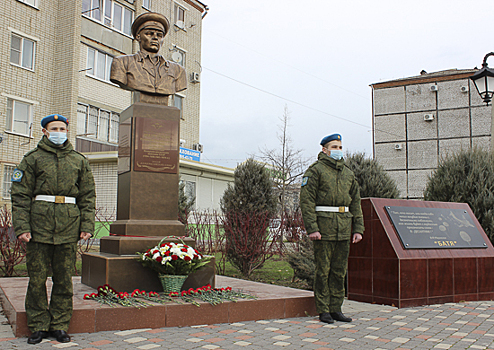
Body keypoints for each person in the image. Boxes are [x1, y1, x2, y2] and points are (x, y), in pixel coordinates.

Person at [11, 114, 95, 344]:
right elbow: (20, 196)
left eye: (62, 128)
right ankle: (38, 326)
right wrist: (22, 227)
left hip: (69, 226)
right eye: (53, 128)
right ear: (45, 132)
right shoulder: (32, 159)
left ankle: (59, 325)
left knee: (64, 279)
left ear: (67, 131)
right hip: (39, 226)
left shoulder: (79, 160)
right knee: (37, 279)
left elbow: (88, 196)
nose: (59, 132)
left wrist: (87, 225)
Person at [300, 133, 364, 324]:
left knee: (339, 271)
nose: (338, 151)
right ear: (324, 150)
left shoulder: (348, 173)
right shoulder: (315, 171)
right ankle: (323, 310)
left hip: (344, 227)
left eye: (340, 147)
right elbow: (307, 201)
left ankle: (336, 308)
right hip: (324, 227)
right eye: (334, 147)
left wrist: (358, 228)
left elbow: (356, 203)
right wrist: (312, 228)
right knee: (323, 270)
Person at [110, 12, 187, 99]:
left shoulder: (178, 70)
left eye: (159, 35)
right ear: (138, 36)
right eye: (149, 34)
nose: (155, 38)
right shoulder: (122, 62)